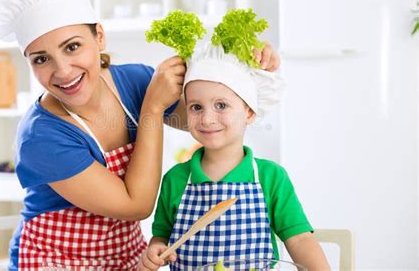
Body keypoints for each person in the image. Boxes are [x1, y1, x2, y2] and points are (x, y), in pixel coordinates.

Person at [0, 0, 281, 270]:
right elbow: (135, 206)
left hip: (127, 256)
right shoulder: (41, 136)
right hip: (55, 260)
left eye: (72, 47)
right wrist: (152, 108)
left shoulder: (135, 82)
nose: (62, 71)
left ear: (99, 36)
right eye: (41, 59)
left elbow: (208, 120)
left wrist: (245, 68)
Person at [139, 43, 330, 271]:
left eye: (221, 105)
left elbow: (299, 240)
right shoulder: (176, 179)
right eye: (196, 107)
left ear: (249, 112)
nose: (207, 119)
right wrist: (155, 249)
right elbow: (161, 237)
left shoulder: (271, 177)